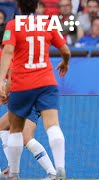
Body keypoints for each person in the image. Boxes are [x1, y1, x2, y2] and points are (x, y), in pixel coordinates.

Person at [0, 0, 70, 179]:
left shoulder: (14, 28)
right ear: (37, 6)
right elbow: (66, 50)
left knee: (21, 135)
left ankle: (23, 172)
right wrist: (65, 62)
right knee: (51, 126)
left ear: (18, 7)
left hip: (24, 86)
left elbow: (11, 68)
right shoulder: (46, 23)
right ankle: (58, 168)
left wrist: (4, 87)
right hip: (45, 83)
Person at [0, 28, 56, 179]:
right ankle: (12, 167)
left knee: (26, 137)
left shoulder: (6, 52)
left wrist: (6, 91)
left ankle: (53, 173)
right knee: (2, 127)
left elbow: (12, 74)